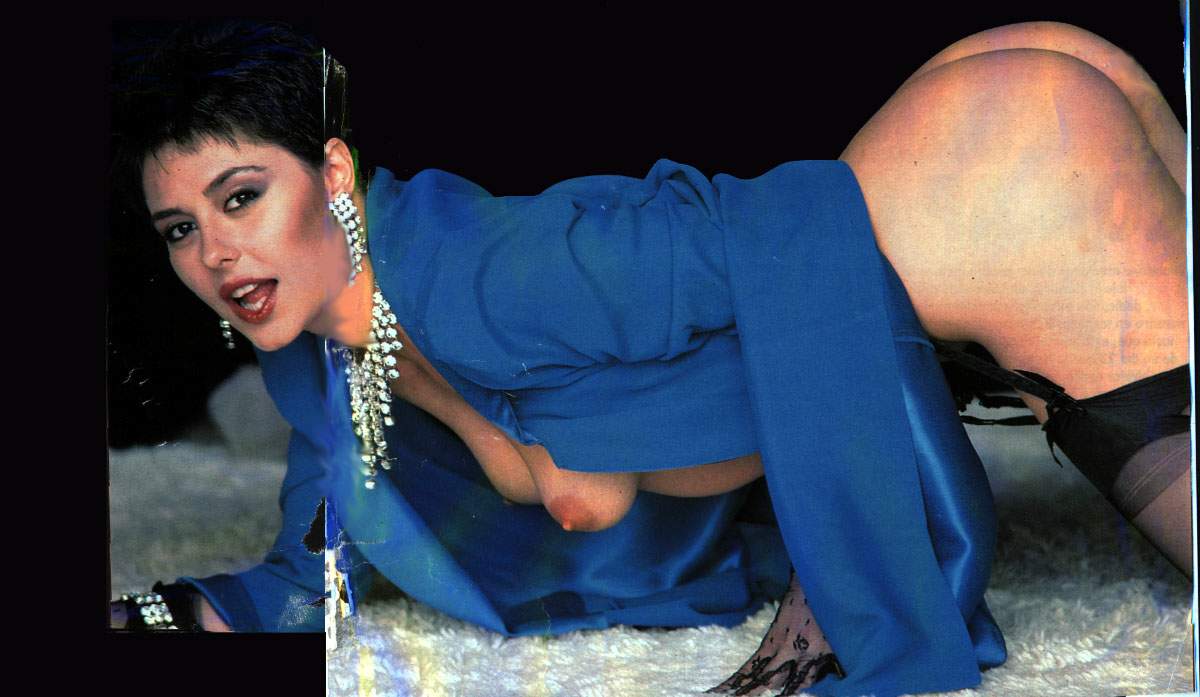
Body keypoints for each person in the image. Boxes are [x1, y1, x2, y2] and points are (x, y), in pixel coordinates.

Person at [109, 18, 1191, 697]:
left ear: (336, 174)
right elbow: (312, 568)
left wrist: (851, 583)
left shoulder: (494, 272)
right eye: (179, 229)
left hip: (1009, 166)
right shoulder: (329, 368)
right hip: (996, 136)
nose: (216, 253)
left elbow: (781, 231)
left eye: (241, 197)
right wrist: (159, 614)